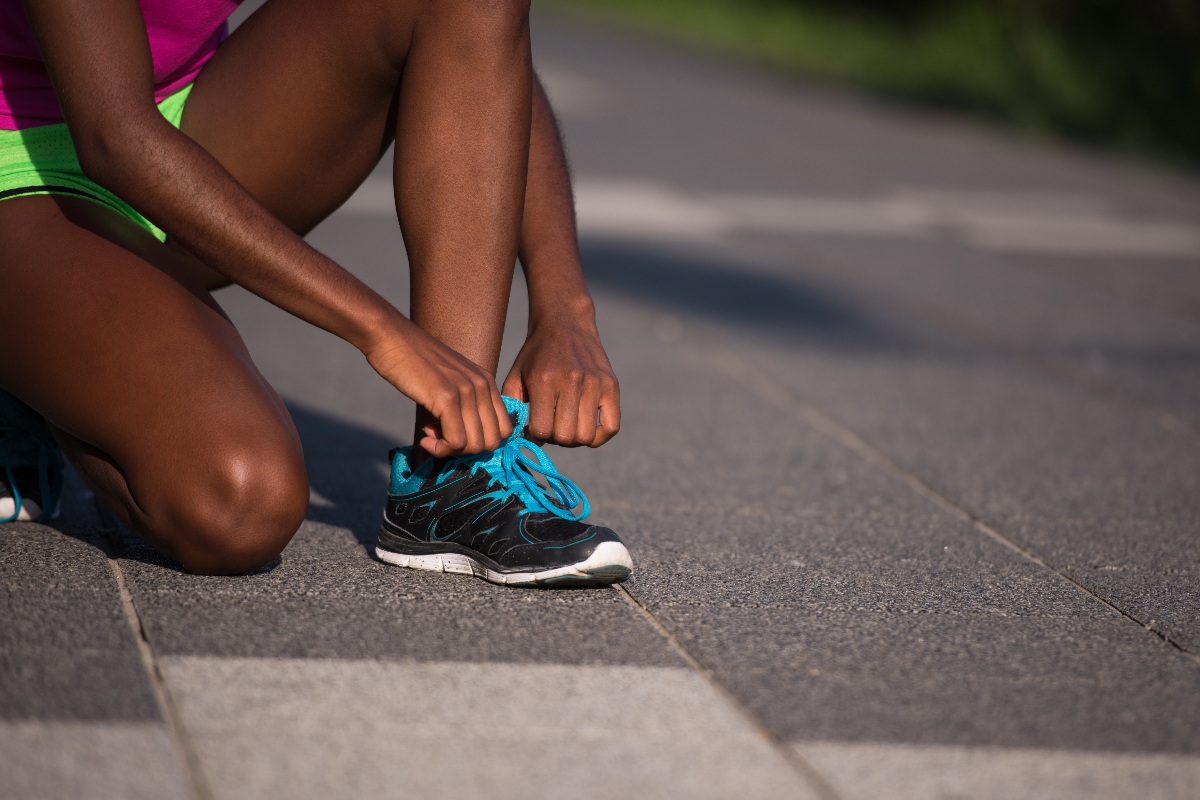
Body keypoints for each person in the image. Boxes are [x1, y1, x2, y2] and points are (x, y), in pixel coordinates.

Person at [0, 0, 632, 586]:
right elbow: (115, 138)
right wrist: (381, 331)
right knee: (239, 504)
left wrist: (564, 310)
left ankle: (453, 475)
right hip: (32, 155)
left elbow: (482, 36)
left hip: (189, 119)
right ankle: (30, 372)